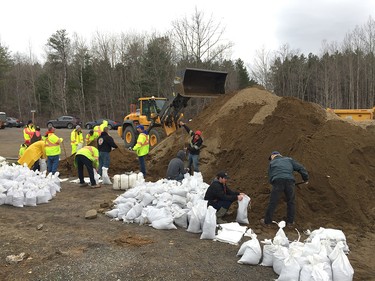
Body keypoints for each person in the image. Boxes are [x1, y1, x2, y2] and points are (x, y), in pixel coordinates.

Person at [260, 151, 309, 228]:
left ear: (273, 156)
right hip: (290, 181)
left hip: (278, 181)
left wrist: (275, 185)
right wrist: (305, 179)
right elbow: (301, 168)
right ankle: (290, 222)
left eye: (271, 158)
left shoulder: (272, 163)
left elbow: (270, 177)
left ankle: (267, 222)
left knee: (273, 202)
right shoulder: (289, 160)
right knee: (291, 201)